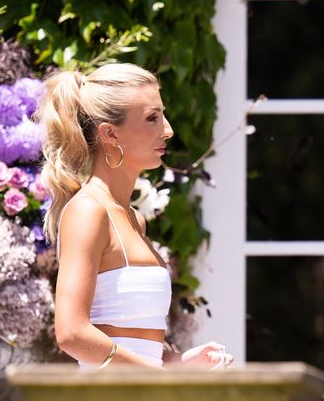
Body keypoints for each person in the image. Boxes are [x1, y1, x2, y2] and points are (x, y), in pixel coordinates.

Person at [35, 63, 234, 369]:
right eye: (152, 118)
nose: (168, 130)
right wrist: (156, 378)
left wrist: (178, 362)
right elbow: (71, 332)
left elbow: (131, 343)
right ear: (110, 134)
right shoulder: (89, 211)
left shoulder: (133, 219)